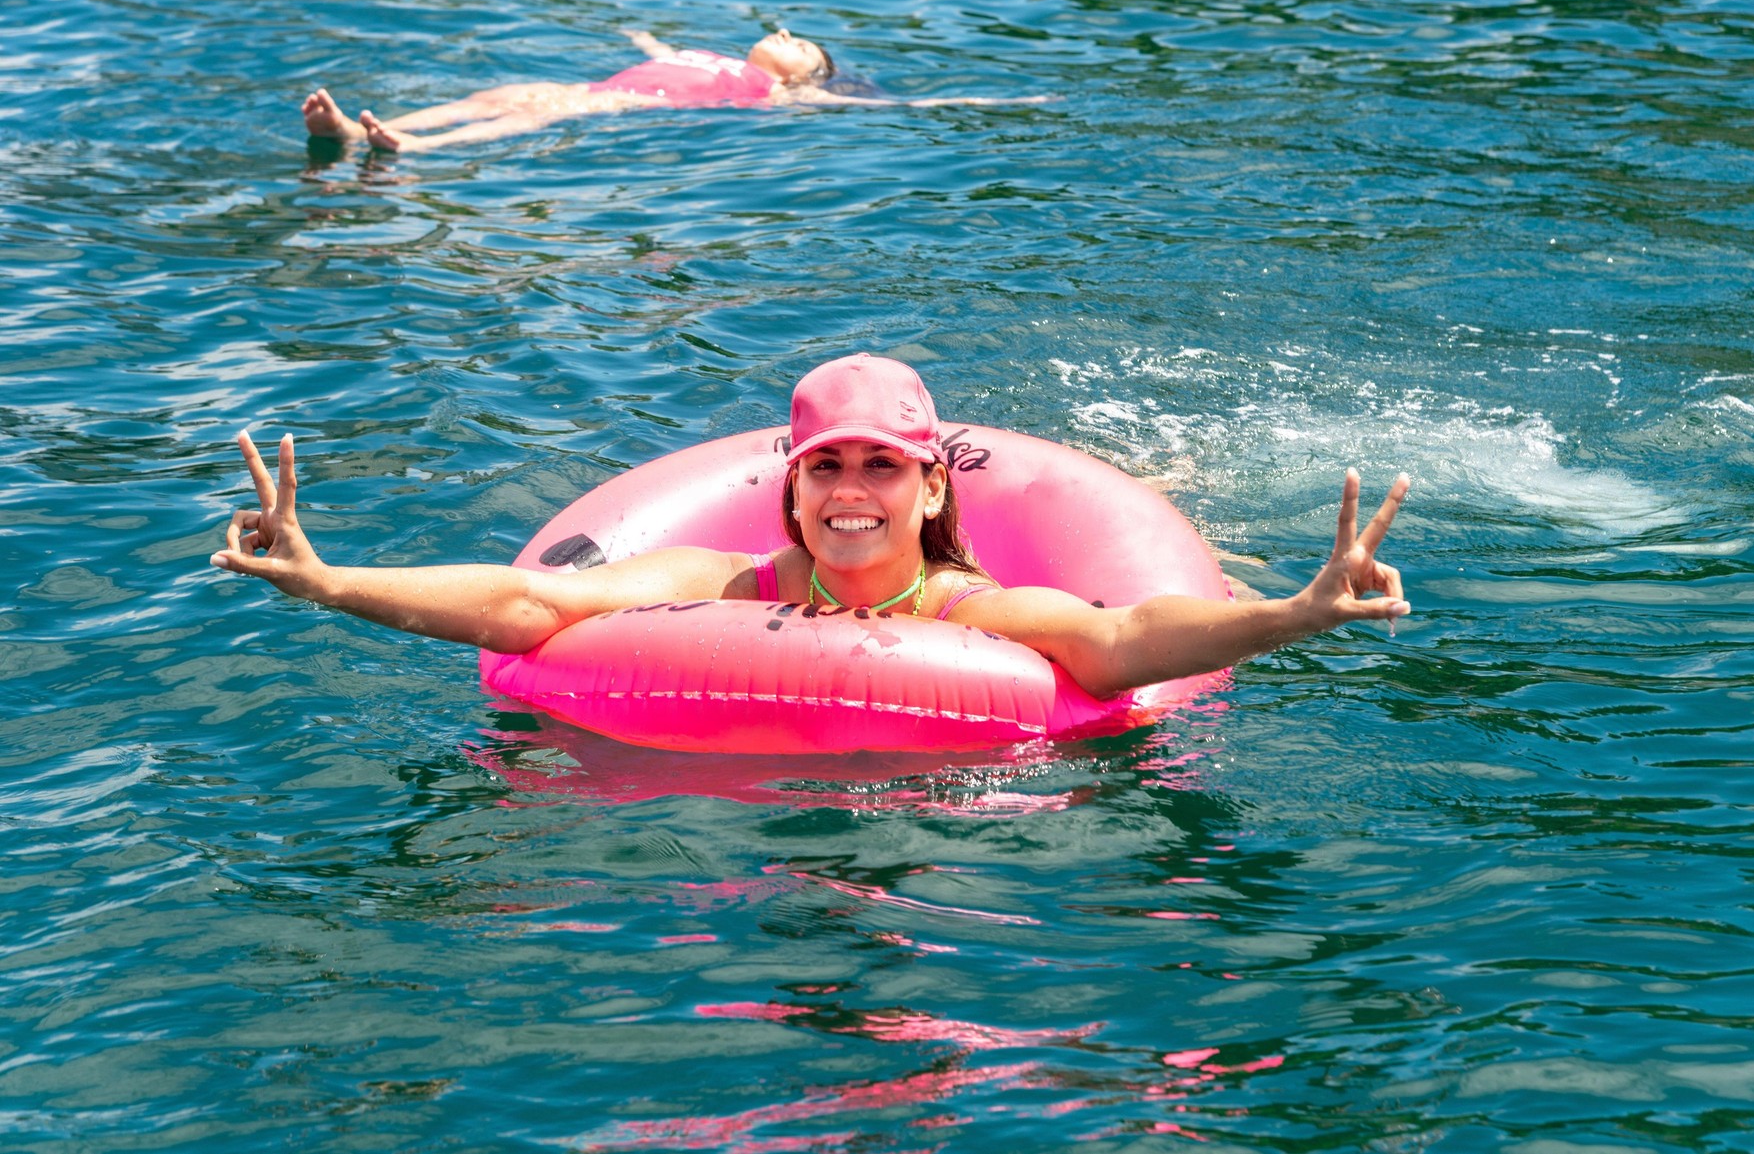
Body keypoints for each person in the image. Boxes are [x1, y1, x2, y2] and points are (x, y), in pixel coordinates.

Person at [212, 354, 1410, 700]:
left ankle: (1190, 491)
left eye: (881, 468)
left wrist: (1297, 615)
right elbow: (533, 608)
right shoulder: (725, 581)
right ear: (787, 484)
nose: (851, 490)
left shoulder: (970, 608)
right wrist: (332, 582)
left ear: (932, 488)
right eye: (825, 465)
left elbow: (1128, 633)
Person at [302, 28, 1052, 153]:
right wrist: (641, 41)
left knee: (525, 117)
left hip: (627, 105)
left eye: (797, 43)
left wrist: (997, 105)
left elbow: (900, 108)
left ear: (805, 73)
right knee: (500, 92)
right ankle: (364, 126)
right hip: (600, 81)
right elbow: (665, 50)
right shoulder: (718, 51)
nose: (781, 34)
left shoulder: (784, 93)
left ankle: (416, 147)